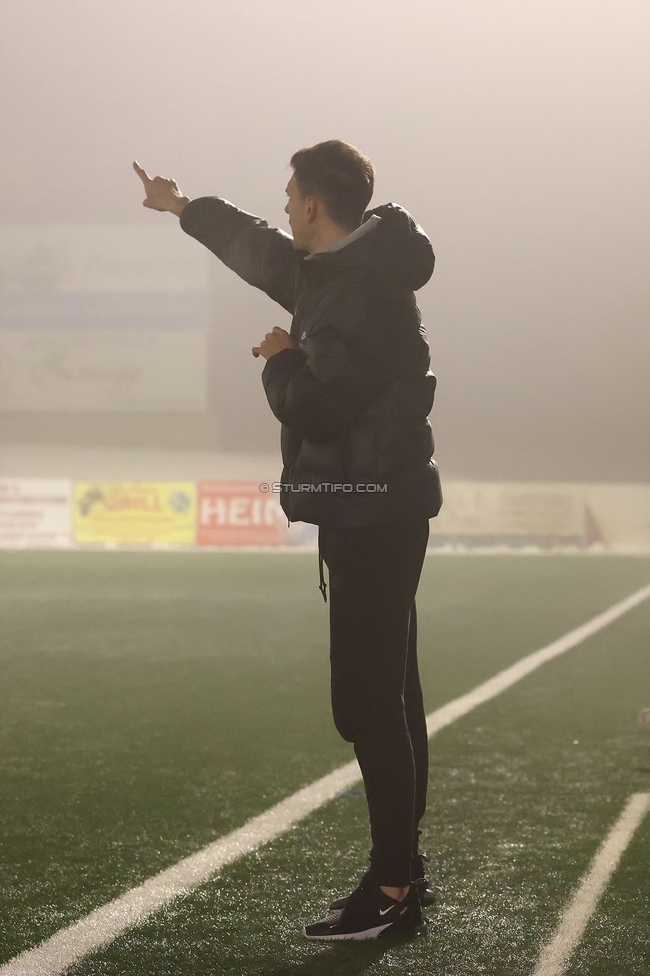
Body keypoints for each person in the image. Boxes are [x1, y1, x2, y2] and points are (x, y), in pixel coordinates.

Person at [134, 141, 442, 940]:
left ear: (313, 204)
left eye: (289, 194)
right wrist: (182, 207)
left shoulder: (357, 295)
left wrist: (279, 361)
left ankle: (393, 887)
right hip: (375, 508)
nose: (282, 207)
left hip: (371, 512)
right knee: (393, 696)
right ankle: (405, 868)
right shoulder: (341, 270)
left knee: (369, 702)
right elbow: (257, 249)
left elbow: (320, 408)